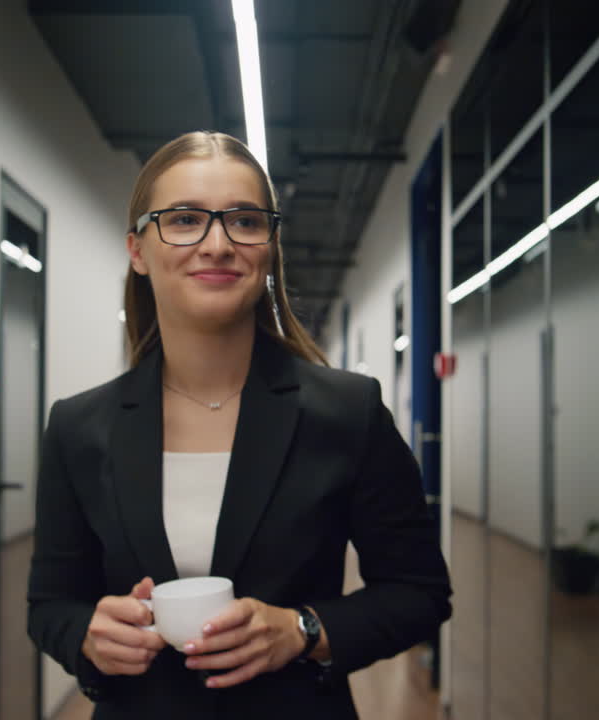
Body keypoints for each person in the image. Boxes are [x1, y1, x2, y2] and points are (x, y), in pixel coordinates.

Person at [26, 130, 451, 719]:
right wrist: (88, 636)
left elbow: (419, 592)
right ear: (138, 251)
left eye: (245, 221)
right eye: (183, 219)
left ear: (269, 247)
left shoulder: (347, 412)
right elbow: (50, 605)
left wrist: (303, 628)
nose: (218, 243)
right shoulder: (78, 427)